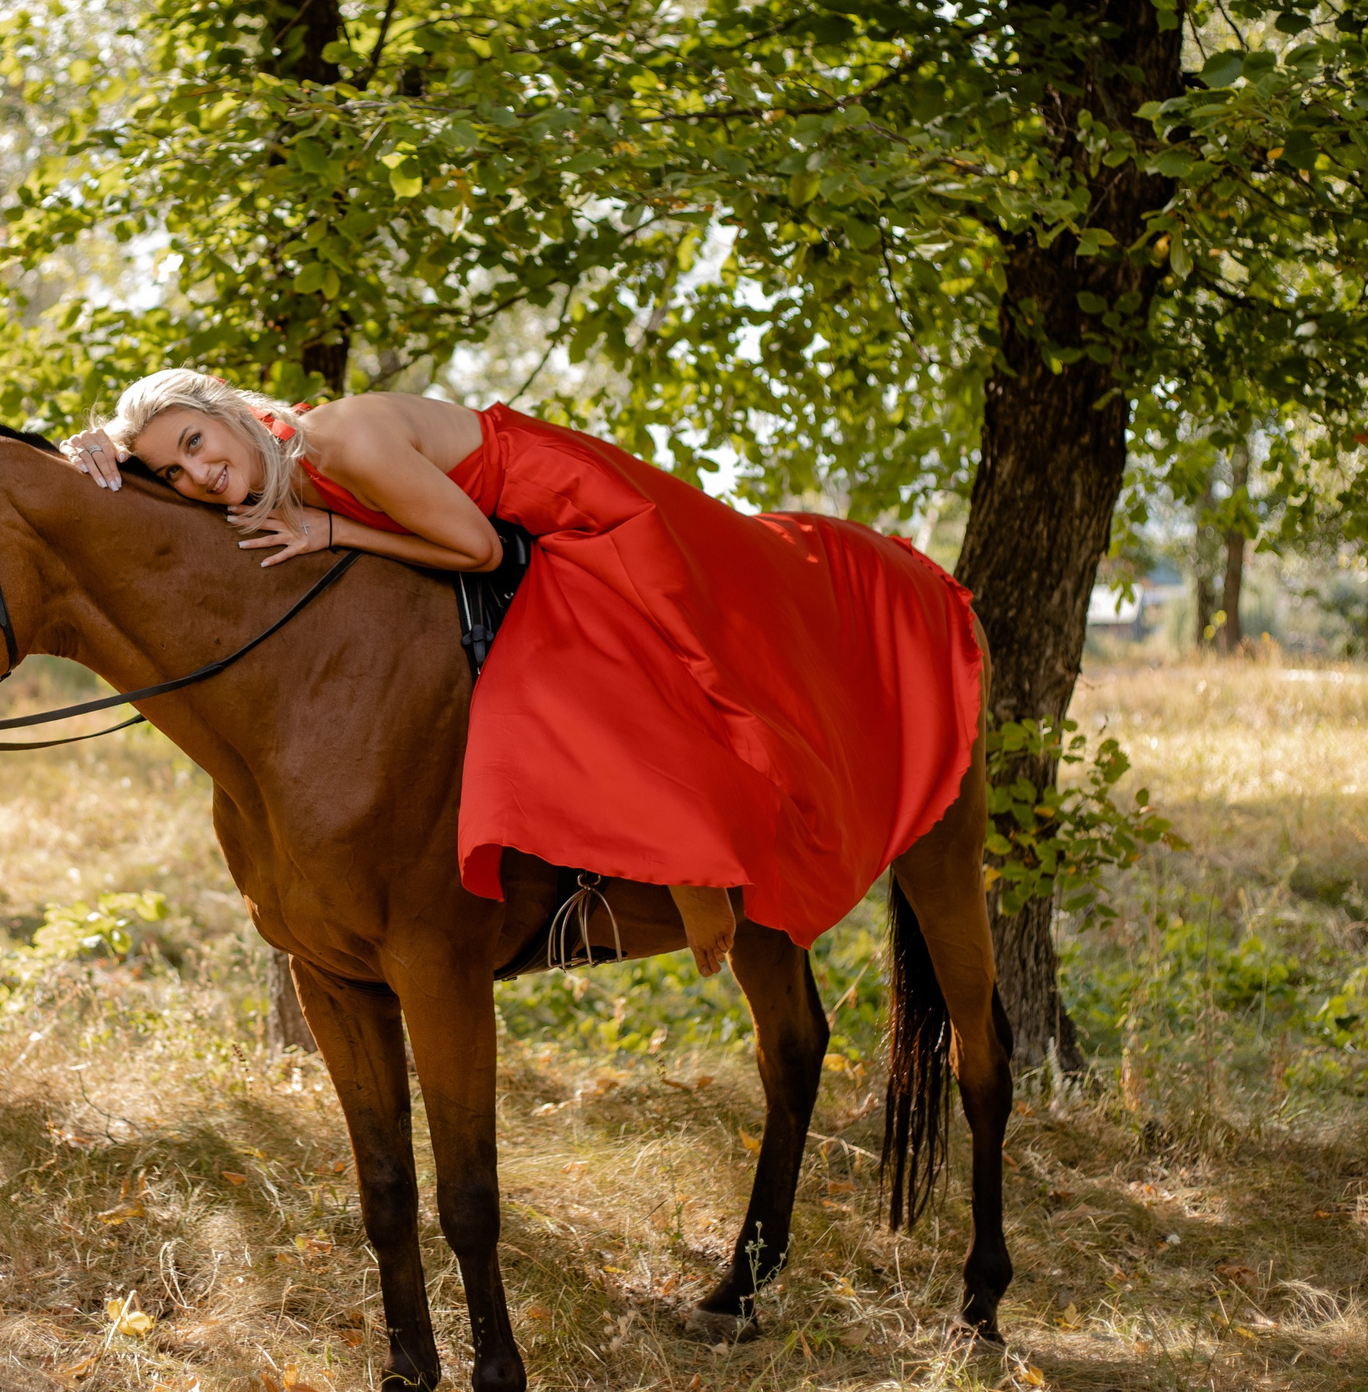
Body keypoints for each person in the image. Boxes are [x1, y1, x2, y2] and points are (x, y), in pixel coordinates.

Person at [62, 371, 982, 980]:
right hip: (499, 533)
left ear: (224, 411)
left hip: (569, 515)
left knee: (571, 669)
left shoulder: (337, 444)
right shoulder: (260, 460)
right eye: (174, 472)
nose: (197, 473)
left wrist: (332, 531)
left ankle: (702, 868)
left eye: (193, 442)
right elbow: (150, 470)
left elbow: (475, 545)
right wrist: (97, 442)